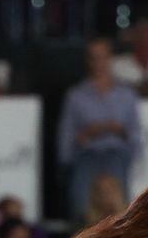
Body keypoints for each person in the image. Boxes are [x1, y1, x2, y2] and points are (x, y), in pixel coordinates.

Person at [57, 38, 140, 224]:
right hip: (87, 155)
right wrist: (87, 134)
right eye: (94, 58)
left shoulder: (127, 95)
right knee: (82, 210)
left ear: (111, 59)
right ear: (88, 61)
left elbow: (135, 134)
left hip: (116, 155)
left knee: (119, 213)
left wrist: (119, 131)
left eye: (103, 57)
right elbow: (66, 136)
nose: (99, 63)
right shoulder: (76, 96)